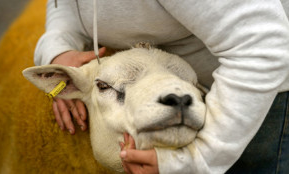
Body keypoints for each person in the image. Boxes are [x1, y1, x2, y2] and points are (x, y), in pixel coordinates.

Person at [34, 0, 289, 173]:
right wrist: (58, 48)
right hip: (160, 99)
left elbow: (262, 46)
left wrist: (197, 161)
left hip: (253, 97)